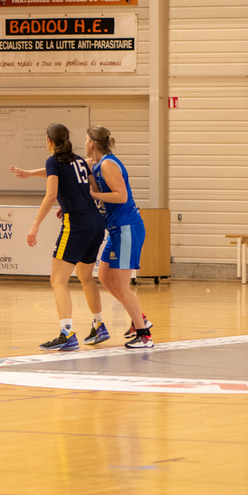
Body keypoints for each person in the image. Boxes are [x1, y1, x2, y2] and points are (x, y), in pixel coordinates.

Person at [10, 123, 105, 351]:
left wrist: (35, 224)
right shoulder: (79, 160)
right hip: (95, 222)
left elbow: (51, 194)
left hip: (77, 225)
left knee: (58, 280)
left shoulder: (53, 161)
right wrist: (30, 173)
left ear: (49, 141)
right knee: (85, 276)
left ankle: (67, 333)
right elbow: (91, 186)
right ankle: (99, 324)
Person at [85, 126, 153, 349]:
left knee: (122, 285)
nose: (84, 143)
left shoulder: (107, 164)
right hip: (115, 229)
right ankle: (140, 319)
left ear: (92, 143)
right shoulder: (96, 165)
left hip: (127, 227)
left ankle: (144, 335)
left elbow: (122, 196)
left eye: (86, 139)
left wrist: (93, 194)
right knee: (105, 277)